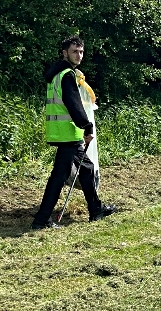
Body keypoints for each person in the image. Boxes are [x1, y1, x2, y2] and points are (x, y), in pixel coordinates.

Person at [33, 36, 116, 229]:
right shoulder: (67, 75)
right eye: (74, 52)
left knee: (86, 168)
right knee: (58, 177)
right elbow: (73, 104)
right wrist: (87, 126)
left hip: (65, 132)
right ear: (64, 53)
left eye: (81, 52)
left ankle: (96, 210)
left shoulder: (56, 74)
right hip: (68, 132)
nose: (79, 55)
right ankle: (41, 220)